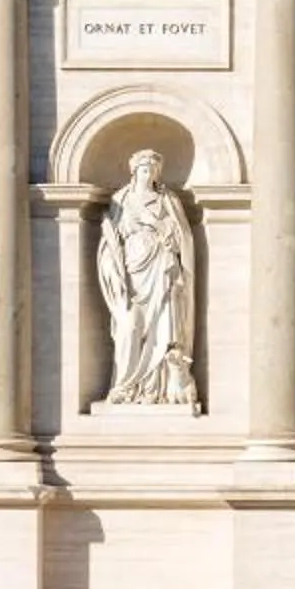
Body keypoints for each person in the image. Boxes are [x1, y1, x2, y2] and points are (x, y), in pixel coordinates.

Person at [99, 150, 198, 406]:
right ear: (135, 171)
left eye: (154, 171)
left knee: (162, 323)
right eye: (145, 170)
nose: (149, 175)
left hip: (161, 266)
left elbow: (181, 236)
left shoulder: (167, 199)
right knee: (129, 325)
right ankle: (126, 385)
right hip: (132, 268)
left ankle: (157, 388)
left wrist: (159, 226)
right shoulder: (121, 199)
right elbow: (111, 238)